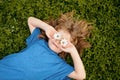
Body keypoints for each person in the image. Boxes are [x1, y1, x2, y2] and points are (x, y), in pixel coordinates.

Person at [0, 12, 92, 80]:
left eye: (63, 42)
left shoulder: (59, 65)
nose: (57, 42)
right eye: (57, 36)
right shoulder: (38, 41)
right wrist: (47, 27)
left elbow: (81, 76)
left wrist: (73, 50)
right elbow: (30, 20)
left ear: (66, 48)